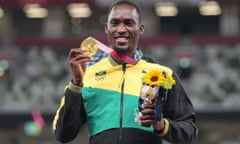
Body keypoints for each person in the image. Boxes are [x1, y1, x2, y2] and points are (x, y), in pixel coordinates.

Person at [52, 1, 198, 144]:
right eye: (115, 23)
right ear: (107, 28)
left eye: (128, 23)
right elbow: (63, 134)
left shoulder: (162, 75)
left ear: (140, 29)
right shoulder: (87, 75)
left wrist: (162, 125)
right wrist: (76, 84)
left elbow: (189, 131)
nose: (121, 29)